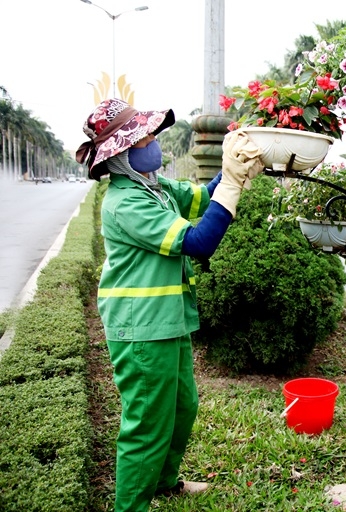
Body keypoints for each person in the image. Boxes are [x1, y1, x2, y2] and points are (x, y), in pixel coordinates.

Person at [76, 98, 263, 511]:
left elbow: (201, 197)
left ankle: (163, 482)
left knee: (181, 406)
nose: (152, 142)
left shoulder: (153, 189)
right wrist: (232, 186)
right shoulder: (126, 203)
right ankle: (131, 506)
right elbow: (198, 242)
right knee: (147, 424)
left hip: (167, 321)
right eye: (142, 138)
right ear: (121, 155)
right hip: (141, 329)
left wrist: (231, 170)